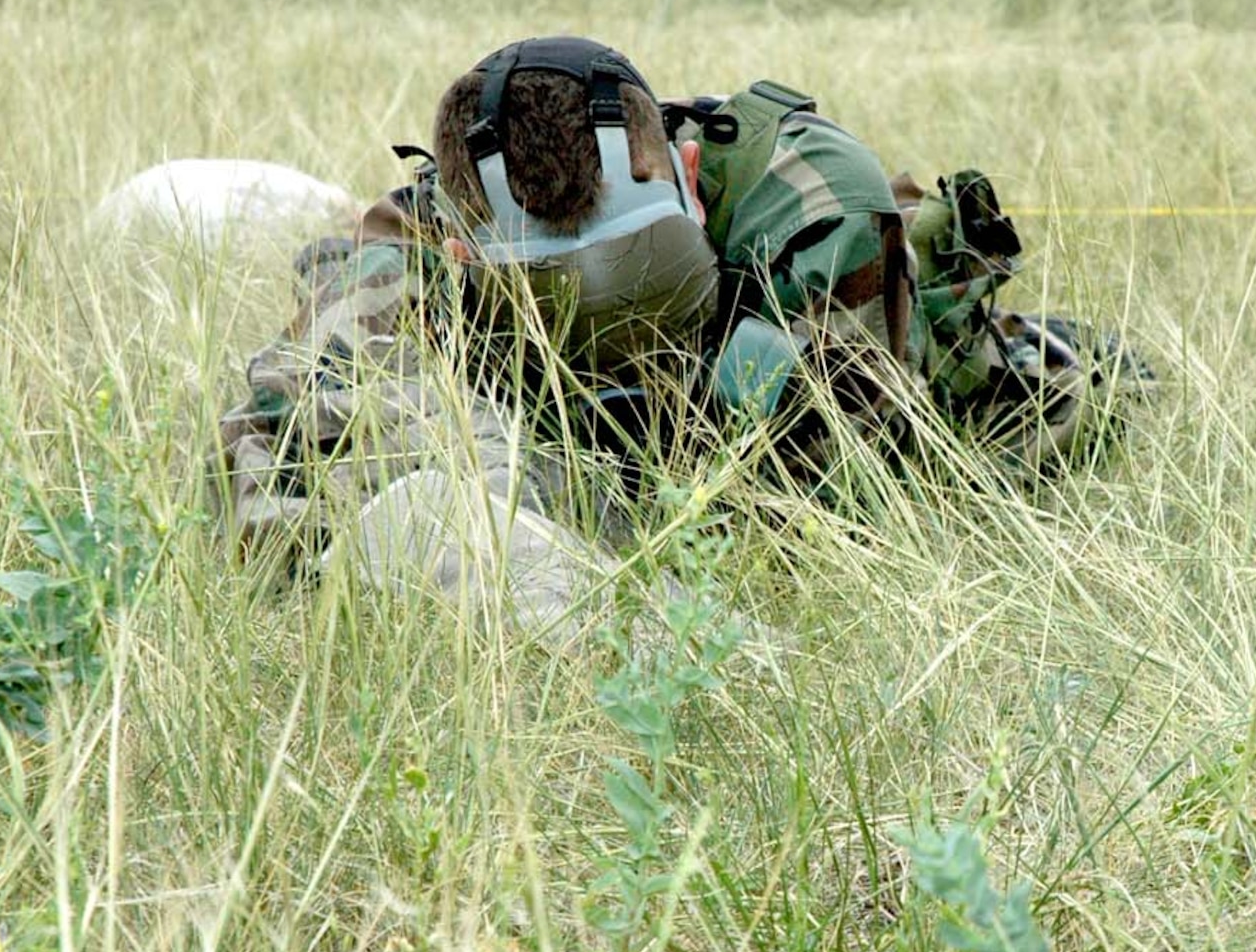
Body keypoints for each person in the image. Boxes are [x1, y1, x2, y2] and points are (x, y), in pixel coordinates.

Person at [217, 36, 1151, 639]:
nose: (614, 324)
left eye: (647, 278)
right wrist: (399, 504)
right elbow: (266, 443)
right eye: (556, 296)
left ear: (691, 176)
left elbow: (850, 517)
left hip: (957, 396)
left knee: (1091, 390)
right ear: (462, 244)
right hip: (631, 450)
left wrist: (576, 544)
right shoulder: (410, 241)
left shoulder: (816, 203)